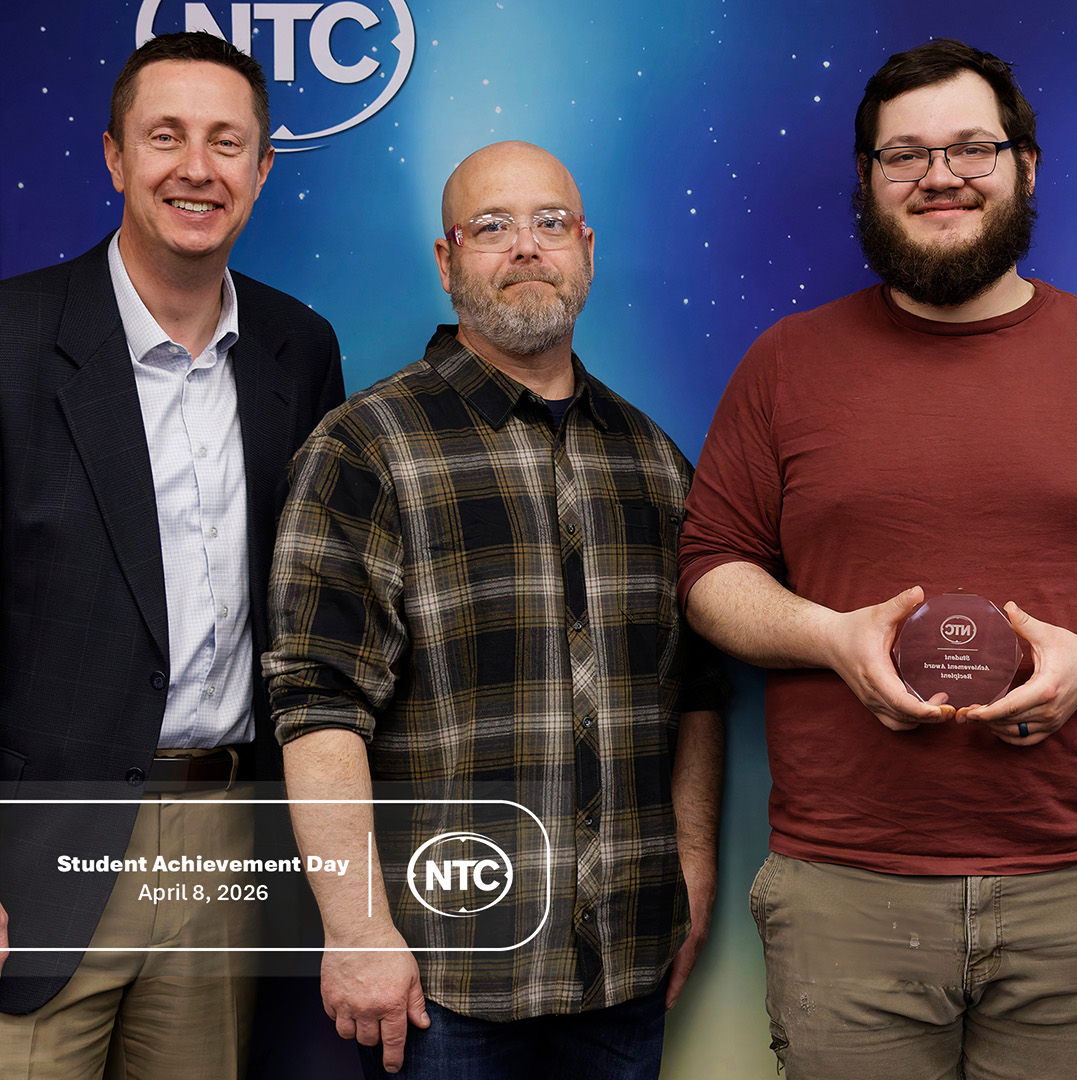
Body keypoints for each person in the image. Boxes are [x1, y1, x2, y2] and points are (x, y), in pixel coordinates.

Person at [678, 38, 1077, 1080]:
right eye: (906, 155)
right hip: (846, 887)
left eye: (973, 148)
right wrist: (829, 637)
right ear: (867, 180)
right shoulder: (784, 365)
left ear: (1027, 165)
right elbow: (712, 568)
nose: (941, 176)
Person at [264, 140, 727, 1079]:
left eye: (550, 224)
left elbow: (698, 687)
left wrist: (691, 866)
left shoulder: (655, 462)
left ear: (587, 250)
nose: (526, 247)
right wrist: (355, 929)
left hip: (624, 970)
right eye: (491, 226)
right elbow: (316, 707)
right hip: (444, 982)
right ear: (445, 261)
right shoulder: (365, 449)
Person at [0, 30, 344, 1078]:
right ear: (114, 157)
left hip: (222, 843)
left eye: (226, 142)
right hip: (34, 853)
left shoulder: (299, 348)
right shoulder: (12, 338)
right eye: (166, 137)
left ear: (261, 169)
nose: (197, 168)